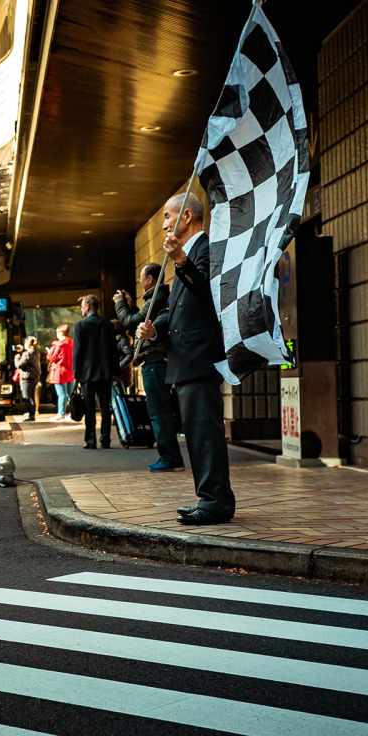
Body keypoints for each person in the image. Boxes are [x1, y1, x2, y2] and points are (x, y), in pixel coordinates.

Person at [136, 192, 235, 525]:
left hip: (200, 355)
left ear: (187, 217)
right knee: (195, 431)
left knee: (205, 431)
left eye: (168, 215)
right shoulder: (186, 256)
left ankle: (217, 501)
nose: (164, 223)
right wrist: (155, 329)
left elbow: (205, 293)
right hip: (184, 357)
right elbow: (176, 309)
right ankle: (208, 497)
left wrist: (181, 261)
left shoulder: (205, 249)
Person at [115, 264, 185, 472]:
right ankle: (169, 456)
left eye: (141, 277)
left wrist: (120, 305)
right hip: (156, 361)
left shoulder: (157, 298)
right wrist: (130, 306)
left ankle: (170, 458)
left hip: (154, 362)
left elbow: (131, 321)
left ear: (151, 279)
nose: (139, 280)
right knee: (159, 410)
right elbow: (142, 319)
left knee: (158, 411)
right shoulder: (156, 299)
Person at [73, 295, 117, 448]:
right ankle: (105, 439)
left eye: (82, 307)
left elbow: (77, 352)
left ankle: (90, 440)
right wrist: (115, 371)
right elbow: (113, 350)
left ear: (87, 307)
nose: (81, 310)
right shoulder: (108, 325)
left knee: (89, 408)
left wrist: (76, 373)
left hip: (87, 373)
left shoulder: (80, 326)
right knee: (106, 407)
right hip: (105, 373)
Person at [48, 325, 75, 422]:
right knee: (70, 394)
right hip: (70, 371)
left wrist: (49, 353)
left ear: (60, 333)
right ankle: (73, 413)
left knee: (61, 394)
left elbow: (52, 358)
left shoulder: (58, 345)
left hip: (59, 372)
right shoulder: (73, 343)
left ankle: (60, 414)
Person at [14, 336, 41, 422]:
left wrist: (17, 358)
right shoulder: (36, 352)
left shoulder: (27, 354)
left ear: (28, 344)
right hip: (34, 377)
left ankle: (31, 415)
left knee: (26, 397)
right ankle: (32, 415)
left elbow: (19, 365)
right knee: (32, 396)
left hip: (27, 377)